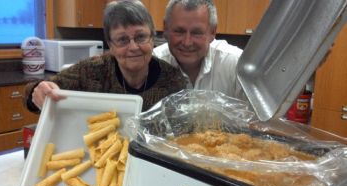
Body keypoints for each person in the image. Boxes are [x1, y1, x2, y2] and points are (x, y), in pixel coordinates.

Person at [24, 0, 186, 112]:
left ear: (152, 38)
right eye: (122, 39)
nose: (133, 47)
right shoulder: (90, 71)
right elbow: (33, 94)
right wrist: (36, 91)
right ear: (111, 45)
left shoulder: (172, 79)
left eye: (141, 37)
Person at [153, 0, 244, 99]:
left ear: (212, 32)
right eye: (179, 31)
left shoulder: (236, 65)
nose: (187, 42)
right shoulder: (152, 65)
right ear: (165, 29)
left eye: (197, 33)